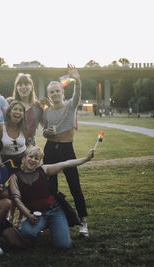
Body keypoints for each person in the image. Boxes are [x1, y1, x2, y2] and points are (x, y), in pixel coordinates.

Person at [9, 146, 95, 248]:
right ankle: (45, 225)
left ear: (39, 161)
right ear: (24, 157)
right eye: (30, 157)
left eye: (36, 158)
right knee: (25, 232)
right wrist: (29, 216)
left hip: (55, 210)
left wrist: (86, 159)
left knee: (63, 245)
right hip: (38, 215)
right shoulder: (15, 177)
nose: (33, 160)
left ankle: (57, 224)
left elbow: (66, 164)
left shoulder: (44, 170)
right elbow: (17, 200)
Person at [42, 64, 89, 237]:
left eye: (57, 91)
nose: (55, 94)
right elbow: (44, 130)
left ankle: (83, 223)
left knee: (74, 186)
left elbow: (78, 94)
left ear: (62, 92)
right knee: (50, 188)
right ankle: (53, 220)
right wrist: (45, 132)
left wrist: (77, 80)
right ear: (49, 95)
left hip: (66, 149)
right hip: (50, 150)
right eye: (51, 92)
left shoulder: (70, 106)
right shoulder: (47, 112)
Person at [0, 100, 29, 226]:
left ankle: (19, 219)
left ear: (23, 115)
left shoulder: (24, 127)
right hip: (6, 163)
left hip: (21, 162)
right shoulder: (0, 126)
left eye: (21, 110)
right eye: (15, 109)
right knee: (6, 193)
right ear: (9, 112)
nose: (18, 112)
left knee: (21, 191)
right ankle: (8, 216)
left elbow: (28, 145)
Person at [12, 73, 51, 145]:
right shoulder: (10, 104)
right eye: (20, 85)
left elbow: (46, 126)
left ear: (31, 87)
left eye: (26, 84)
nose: (23, 87)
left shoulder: (38, 106)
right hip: (13, 145)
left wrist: (50, 108)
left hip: (30, 147)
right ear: (16, 88)